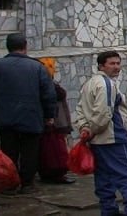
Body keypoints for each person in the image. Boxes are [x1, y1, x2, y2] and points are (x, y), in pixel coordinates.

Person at [0, 33, 57, 194]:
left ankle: (10, 184)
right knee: (30, 153)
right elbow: (48, 94)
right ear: (25, 46)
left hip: (5, 116)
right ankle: (27, 184)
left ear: (8, 47)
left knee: (8, 151)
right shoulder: (37, 67)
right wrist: (49, 115)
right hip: (31, 117)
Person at [74, 50, 127, 216]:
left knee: (104, 180)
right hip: (115, 140)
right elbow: (103, 113)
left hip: (98, 142)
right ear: (101, 66)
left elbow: (80, 109)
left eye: (118, 63)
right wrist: (91, 130)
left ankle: (108, 211)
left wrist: (85, 128)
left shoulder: (89, 84)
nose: (116, 67)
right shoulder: (106, 84)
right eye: (112, 64)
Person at [38, 57, 76, 185]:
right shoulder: (48, 85)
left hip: (54, 121)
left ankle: (51, 173)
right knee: (54, 150)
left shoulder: (47, 84)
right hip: (53, 122)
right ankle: (55, 174)